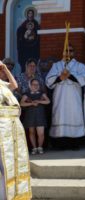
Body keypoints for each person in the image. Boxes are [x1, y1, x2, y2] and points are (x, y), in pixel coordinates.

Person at [46, 44, 85, 150]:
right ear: (63, 52)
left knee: (74, 116)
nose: (68, 53)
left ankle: (74, 143)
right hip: (60, 97)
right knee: (60, 116)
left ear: (74, 53)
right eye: (66, 51)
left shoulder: (80, 66)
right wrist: (60, 77)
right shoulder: (56, 65)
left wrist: (70, 75)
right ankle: (61, 144)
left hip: (74, 97)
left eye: (71, 51)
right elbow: (48, 81)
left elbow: (84, 79)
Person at [0, 61, 31, 199]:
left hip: (12, 128)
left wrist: (6, 69)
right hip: (1, 129)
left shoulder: (2, 84)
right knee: (4, 166)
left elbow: (15, 85)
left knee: (14, 163)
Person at [20, 79, 50, 154]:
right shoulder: (26, 94)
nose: (35, 86)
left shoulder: (42, 93)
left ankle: (40, 147)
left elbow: (48, 101)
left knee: (41, 133)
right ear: (30, 85)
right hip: (30, 115)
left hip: (40, 115)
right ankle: (34, 148)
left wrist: (39, 101)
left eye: (37, 84)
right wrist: (31, 104)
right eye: (34, 84)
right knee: (31, 132)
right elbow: (21, 103)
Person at [17, 7, 40, 72]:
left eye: (31, 13)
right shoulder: (24, 24)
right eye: (29, 13)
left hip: (34, 48)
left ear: (33, 14)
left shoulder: (36, 24)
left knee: (34, 61)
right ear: (27, 14)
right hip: (25, 48)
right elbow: (19, 32)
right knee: (25, 61)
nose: (30, 15)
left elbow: (38, 32)